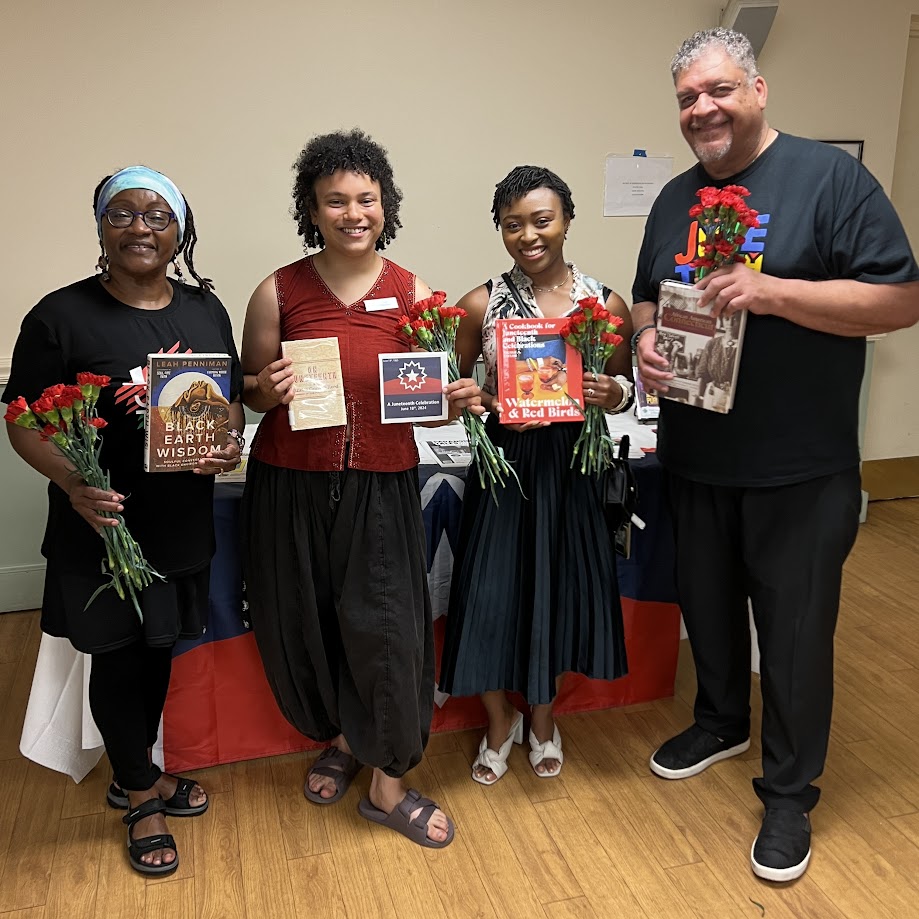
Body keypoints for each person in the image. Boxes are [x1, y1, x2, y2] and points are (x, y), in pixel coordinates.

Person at [631, 28, 919, 882]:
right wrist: (644, 341)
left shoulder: (831, 181)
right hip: (694, 452)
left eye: (717, 90)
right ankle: (719, 720)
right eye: (687, 98)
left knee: (791, 637)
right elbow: (647, 294)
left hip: (800, 464)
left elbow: (899, 300)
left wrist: (772, 292)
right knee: (709, 609)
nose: (701, 108)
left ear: (756, 89)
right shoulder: (674, 198)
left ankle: (790, 789)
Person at [240, 129, 479, 848]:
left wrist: (453, 398)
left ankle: (388, 782)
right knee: (307, 622)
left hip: (380, 481)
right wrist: (265, 386)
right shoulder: (277, 288)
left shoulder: (411, 291)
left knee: (387, 632)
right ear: (310, 209)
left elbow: (422, 397)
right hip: (291, 484)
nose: (352, 212)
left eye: (365, 199)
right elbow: (249, 391)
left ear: (385, 205)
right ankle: (343, 739)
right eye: (334, 200)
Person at [3, 166, 244, 876]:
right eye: (123, 214)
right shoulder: (59, 316)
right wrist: (73, 483)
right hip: (99, 526)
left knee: (159, 647)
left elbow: (225, 400)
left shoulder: (205, 309)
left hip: (178, 524)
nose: (141, 227)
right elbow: (21, 421)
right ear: (102, 226)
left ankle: (133, 766)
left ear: (180, 231)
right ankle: (141, 792)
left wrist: (225, 439)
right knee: (115, 654)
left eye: (158, 216)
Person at [438, 165, 633, 785]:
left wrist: (612, 392)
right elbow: (453, 392)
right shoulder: (480, 304)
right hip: (505, 471)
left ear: (567, 221)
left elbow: (627, 393)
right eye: (512, 224)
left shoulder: (604, 306)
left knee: (556, 592)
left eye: (542, 220)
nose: (528, 235)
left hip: (572, 470)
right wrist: (484, 403)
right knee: (489, 597)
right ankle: (500, 720)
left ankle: (543, 717)